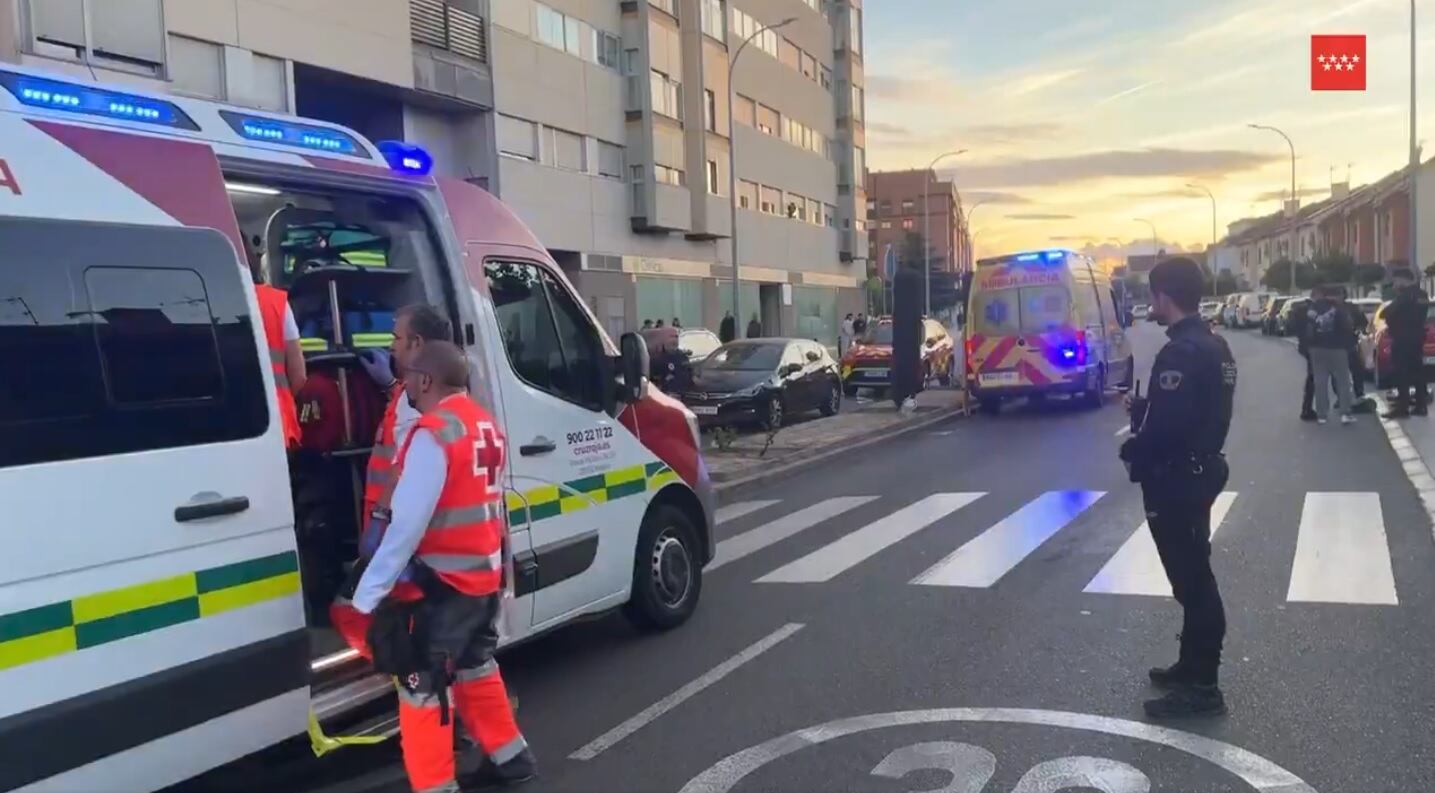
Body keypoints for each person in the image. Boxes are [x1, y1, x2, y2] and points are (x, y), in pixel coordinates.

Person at [351, 341, 536, 792]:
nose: (405, 382)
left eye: (408, 374)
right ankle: (512, 758)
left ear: (426, 380)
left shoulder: (433, 433)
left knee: (421, 684)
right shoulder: (484, 424)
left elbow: (406, 526)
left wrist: (367, 593)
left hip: (444, 587)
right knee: (476, 667)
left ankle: (435, 785)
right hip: (481, 578)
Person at [1119, 257, 1234, 719]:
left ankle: (1204, 685)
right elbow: (1196, 407)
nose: (1152, 303)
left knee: (1193, 580)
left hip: (1178, 478)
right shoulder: (1214, 343)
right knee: (1191, 572)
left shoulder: (1182, 351)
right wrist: (1148, 404)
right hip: (1199, 470)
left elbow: (1170, 427)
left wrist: (1135, 448)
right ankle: (1191, 665)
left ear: (1164, 296)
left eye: (1153, 295)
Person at [248, 246, 306, 448]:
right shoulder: (276, 302)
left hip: (230, 430)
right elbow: (299, 377)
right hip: (278, 424)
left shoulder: (203, 300)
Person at [1306, 285, 1358, 425]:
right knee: (1343, 380)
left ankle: (1322, 415)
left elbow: (1307, 325)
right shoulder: (1340, 308)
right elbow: (1348, 326)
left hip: (1316, 348)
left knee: (1320, 381)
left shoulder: (1313, 307)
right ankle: (1345, 413)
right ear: (1337, 295)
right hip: (1337, 347)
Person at [1382, 269, 1430, 418]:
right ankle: (1421, 405)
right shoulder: (1423, 295)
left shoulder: (1405, 296)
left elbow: (1386, 313)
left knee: (1401, 372)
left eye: (1396, 282)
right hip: (1417, 338)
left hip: (1402, 338)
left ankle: (1402, 408)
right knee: (1417, 372)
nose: (1395, 285)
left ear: (1403, 280)